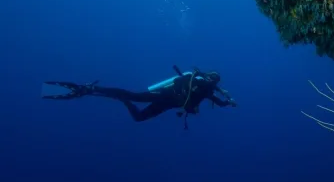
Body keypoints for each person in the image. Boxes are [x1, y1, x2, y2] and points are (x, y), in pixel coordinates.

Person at [43, 66, 237, 129]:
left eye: (216, 79)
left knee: (139, 118)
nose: (213, 80)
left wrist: (228, 102)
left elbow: (218, 103)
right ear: (209, 76)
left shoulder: (207, 91)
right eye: (213, 77)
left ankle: (114, 97)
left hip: (166, 105)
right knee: (134, 95)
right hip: (164, 95)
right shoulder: (198, 80)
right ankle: (92, 88)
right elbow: (184, 84)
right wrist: (220, 91)